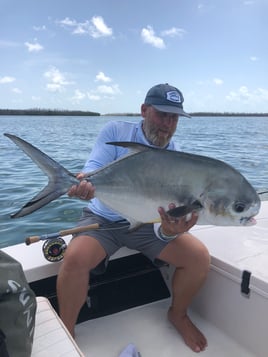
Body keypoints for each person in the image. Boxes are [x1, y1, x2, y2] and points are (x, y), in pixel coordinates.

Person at [57, 83, 210, 353]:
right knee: (75, 258)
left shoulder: (175, 155)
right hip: (104, 220)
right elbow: (93, 168)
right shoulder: (116, 131)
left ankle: (178, 314)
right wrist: (84, 183)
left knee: (198, 258)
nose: (167, 124)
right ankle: (66, 331)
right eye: (162, 114)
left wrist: (169, 231)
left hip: (148, 225)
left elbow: (168, 215)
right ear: (144, 110)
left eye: (174, 117)